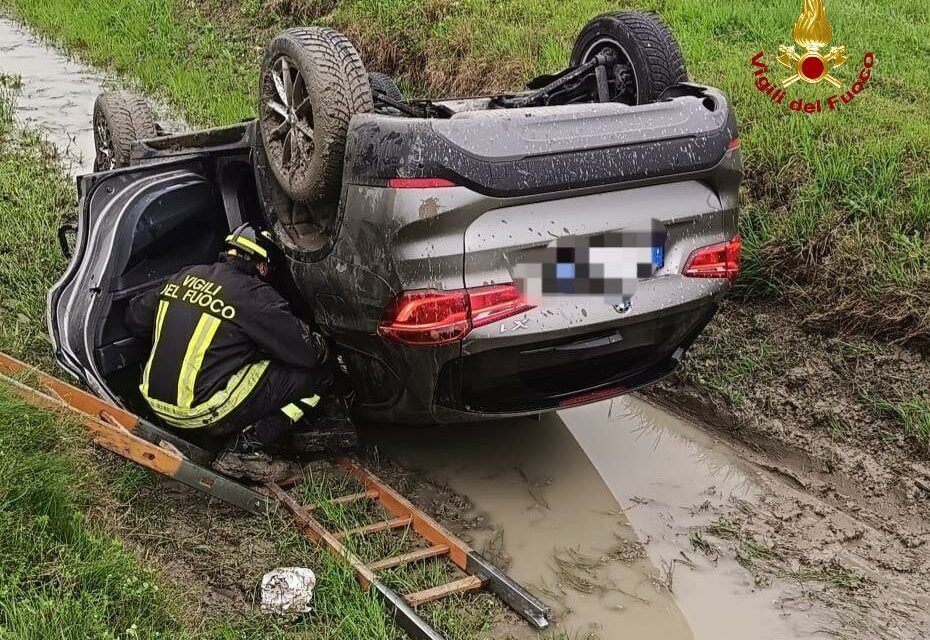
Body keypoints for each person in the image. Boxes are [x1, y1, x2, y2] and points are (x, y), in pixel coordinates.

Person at [126, 223, 351, 462]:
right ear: (263, 266)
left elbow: (135, 319)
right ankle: (244, 451)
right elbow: (306, 353)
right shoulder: (255, 294)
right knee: (317, 374)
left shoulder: (185, 275)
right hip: (200, 412)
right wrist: (327, 346)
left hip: (154, 403)